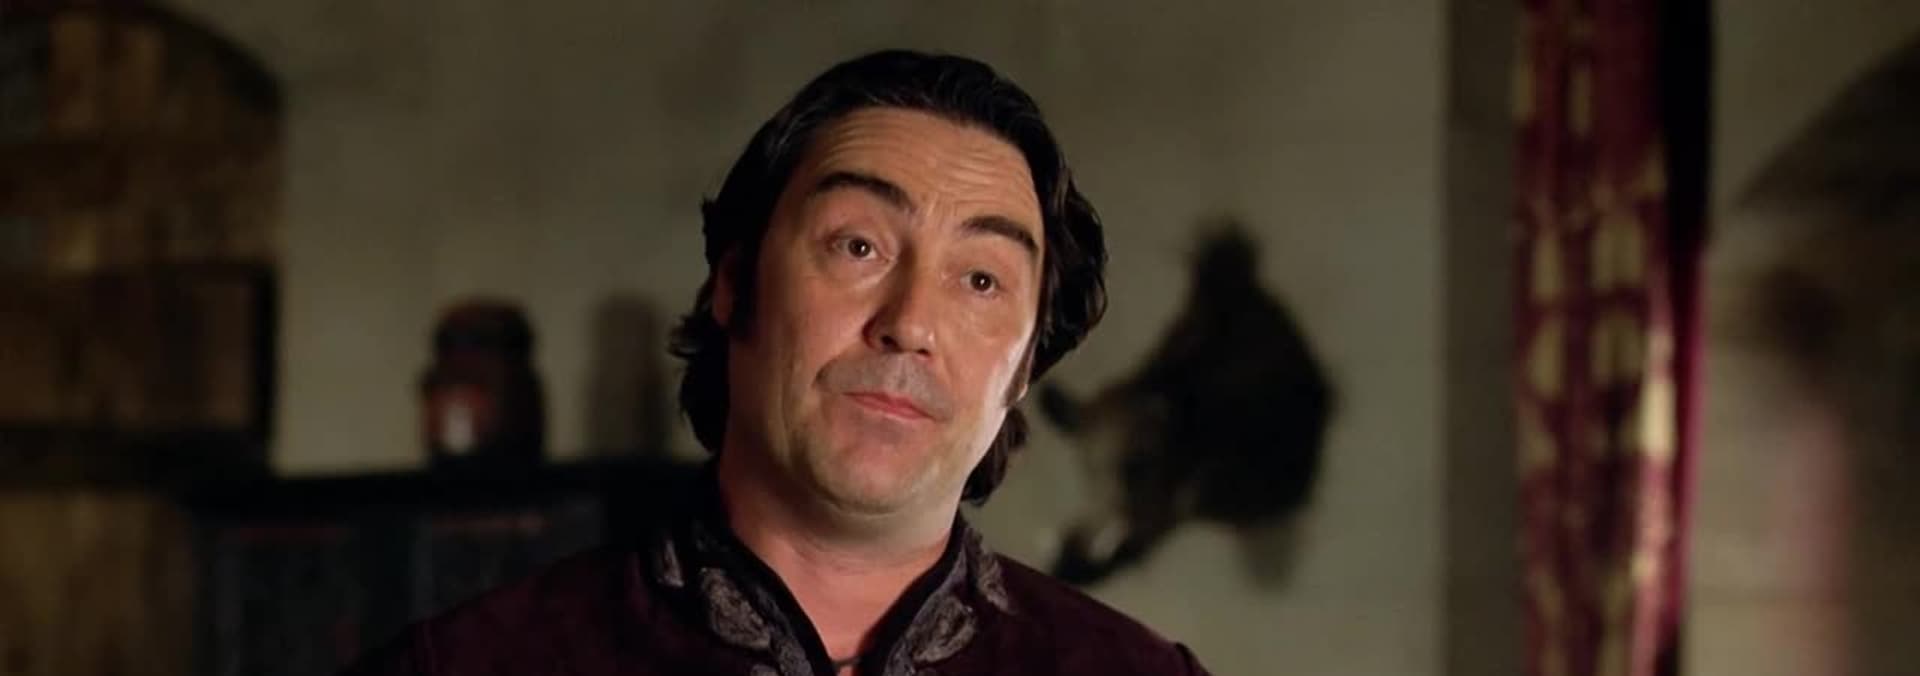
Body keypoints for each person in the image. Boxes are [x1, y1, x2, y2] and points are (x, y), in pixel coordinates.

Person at [343, 49, 1211, 676]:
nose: (911, 324)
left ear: (1022, 371)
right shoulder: (476, 662)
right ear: (734, 283)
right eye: (858, 246)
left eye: (981, 280)